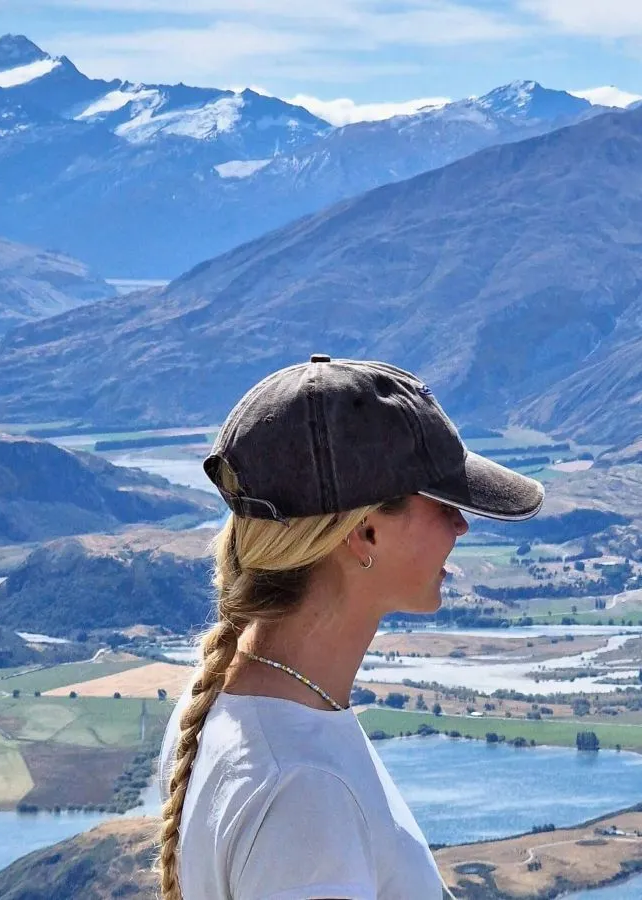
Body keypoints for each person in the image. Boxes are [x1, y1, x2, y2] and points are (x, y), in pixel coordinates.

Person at [156, 355, 544, 900]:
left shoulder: (224, 702)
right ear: (364, 534)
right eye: (441, 503)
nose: (461, 523)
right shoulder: (305, 795)